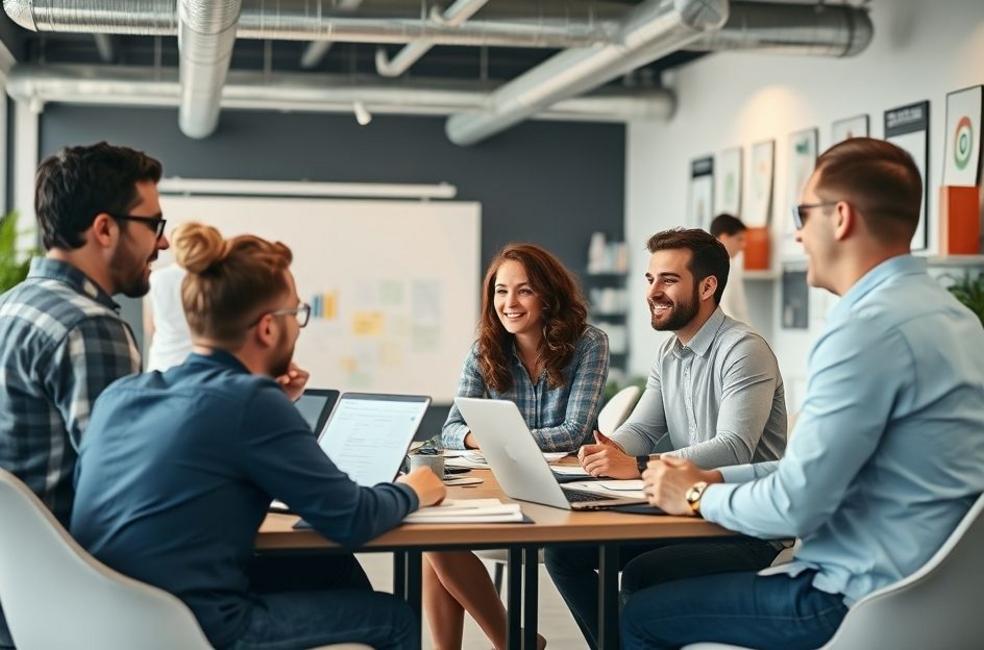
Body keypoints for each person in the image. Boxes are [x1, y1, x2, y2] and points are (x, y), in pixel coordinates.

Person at [626, 138, 984, 649]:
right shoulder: (958, 319)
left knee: (641, 616)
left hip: (850, 599)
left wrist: (696, 495)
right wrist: (714, 477)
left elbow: (797, 504)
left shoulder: (864, 329)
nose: (796, 234)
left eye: (802, 214)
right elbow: (810, 471)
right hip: (938, 598)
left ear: (840, 218)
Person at [70, 223, 446, 650]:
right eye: (297, 314)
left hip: (103, 620)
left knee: (330, 568)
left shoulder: (123, 394)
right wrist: (414, 489)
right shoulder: (249, 402)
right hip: (192, 626)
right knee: (395, 618)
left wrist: (274, 403)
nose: (299, 326)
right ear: (267, 328)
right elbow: (351, 519)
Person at [544, 228, 787, 650]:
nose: (653, 292)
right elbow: (643, 429)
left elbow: (734, 448)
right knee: (564, 554)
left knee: (644, 572)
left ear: (707, 287)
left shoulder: (744, 349)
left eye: (669, 280)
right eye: (650, 279)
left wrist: (638, 466)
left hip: (746, 526)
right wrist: (612, 449)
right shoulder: (669, 352)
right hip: (687, 513)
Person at [0, 142, 169, 648]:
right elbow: (128, 495)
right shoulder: (89, 327)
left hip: (16, 600)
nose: (163, 242)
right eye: (154, 224)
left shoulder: (10, 307)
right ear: (105, 229)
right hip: (79, 607)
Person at [426, 243, 609, 650]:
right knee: (432, 537)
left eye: (524, 290)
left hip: (562, 490)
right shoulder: (484, 349)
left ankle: (512, 640)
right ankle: (512, 640)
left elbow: (573, 432)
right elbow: (452, 428)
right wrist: (484, 439)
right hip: (499, 484)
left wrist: (498, 438)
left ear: (548, 295)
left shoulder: (588, 344)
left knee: (434, 543)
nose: (509, 303)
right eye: (501, 291)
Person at [143, 260, 192, 371]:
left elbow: (149, 329)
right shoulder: (216, 278)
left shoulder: (156, 278)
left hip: (161, 366)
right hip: (200, 369)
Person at [709, 213, 750, 323]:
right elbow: (728, 310)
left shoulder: (728, 265)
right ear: (724, 238)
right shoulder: (724, 268)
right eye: (739, 239)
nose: (743, 245)